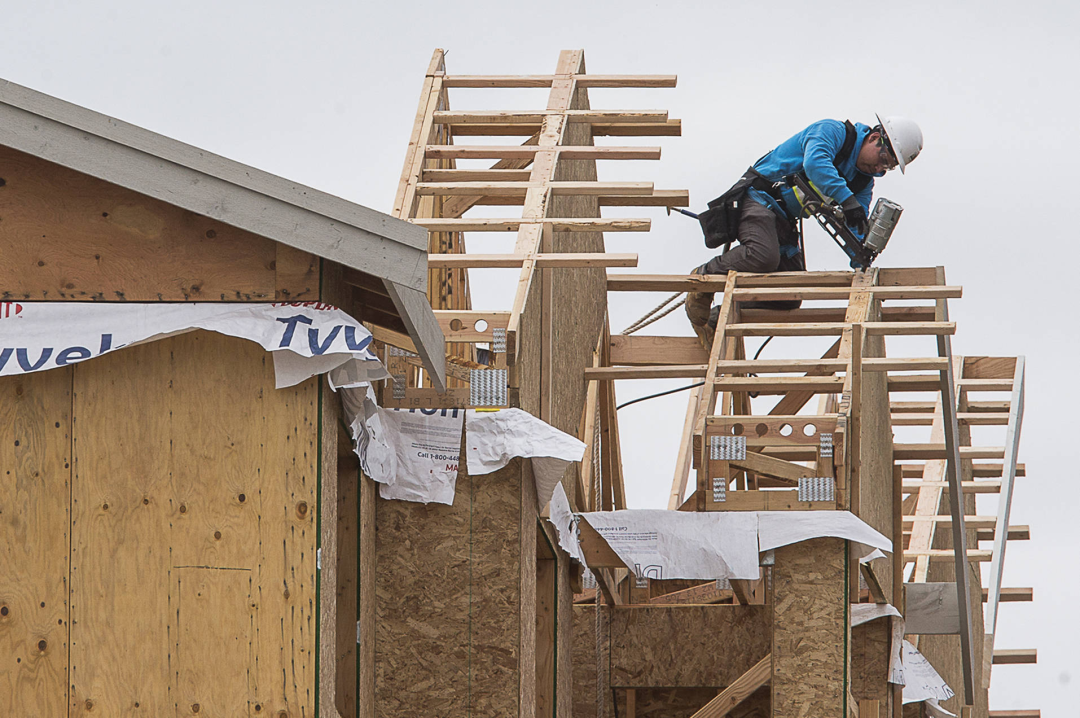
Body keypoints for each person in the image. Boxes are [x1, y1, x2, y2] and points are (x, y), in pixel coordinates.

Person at [685, 114, 923, 349]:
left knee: (788, 297)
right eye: (884, 158)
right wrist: (846, 199)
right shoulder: (832, 132)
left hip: (782, 220)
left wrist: (861, 256)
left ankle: (716, 319)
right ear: (873, 138)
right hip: (758, 198)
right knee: (763, 255)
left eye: (888, 167)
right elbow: (815, 164)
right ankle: (703, 278)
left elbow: (855, 224)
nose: (880, 168)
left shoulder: (862, 182)